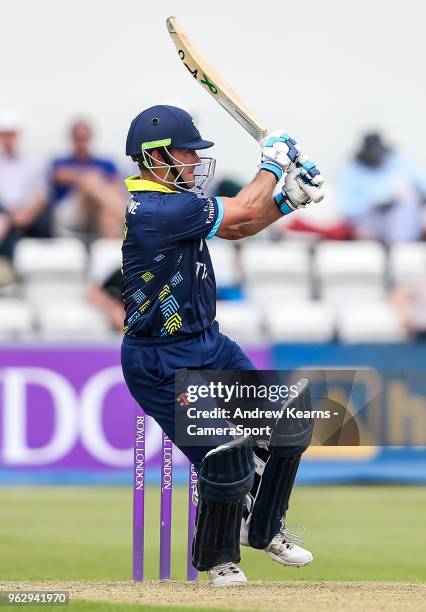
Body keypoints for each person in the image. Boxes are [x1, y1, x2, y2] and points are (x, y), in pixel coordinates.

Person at [120, 105, 324, 586]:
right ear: (155, 156)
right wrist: (274, 166)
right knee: (226, 454)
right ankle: (218, 561)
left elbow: (242, 225)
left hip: (208, 343)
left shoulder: (178, 204)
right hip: (159, 361)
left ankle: (263, 523)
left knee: (285, 421)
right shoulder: (157, 208)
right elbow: (248, 207)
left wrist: (289, 201)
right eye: (188, 152)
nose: (195, 160)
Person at [338, 132, 426, 244]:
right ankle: (399, 249)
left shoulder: (397, 163)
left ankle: (401, 248)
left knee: (407, 204)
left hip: (400, 215)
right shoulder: (352, 172)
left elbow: (422, 183)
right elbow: (346, 209)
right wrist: (373, 202)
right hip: (370, 220)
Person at [49, 119, 124, 240]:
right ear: (72, 139)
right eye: (78, 138)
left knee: (108, 215)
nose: (81, 143)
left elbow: (117, 191)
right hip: (69, 215)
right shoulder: (60, 162)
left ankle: (111, 254)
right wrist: (89, 178)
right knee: (90, 182)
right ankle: (130, 219)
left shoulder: (107, 163)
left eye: (84, 138)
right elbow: (58, 176)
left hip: (100, 213)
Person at [0, 111, 49, 258]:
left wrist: (27, 212)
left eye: (11, 135)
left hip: (28, 213)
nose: (8, 139)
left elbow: (41, 194)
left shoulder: (32, 162)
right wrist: (11, 214)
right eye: (5, 135)